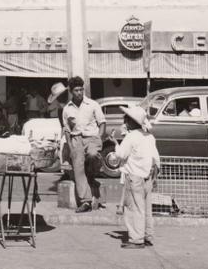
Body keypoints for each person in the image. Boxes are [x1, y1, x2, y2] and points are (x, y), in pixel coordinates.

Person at [105, 105, 160, 249]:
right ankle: (148, 236)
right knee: (147, 209)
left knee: (135, 208)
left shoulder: (131, 136)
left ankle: (136, 239)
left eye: (126, 118)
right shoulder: (149, 136)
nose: (124, 121)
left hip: (135, 176)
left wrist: (115, 144)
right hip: (148, 175)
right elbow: (156, 158)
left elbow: (121, 155)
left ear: (130, 121)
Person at [61, 76, 106, 213]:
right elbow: (67, 130)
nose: (79, 93)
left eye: (81, 89)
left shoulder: (93, 104)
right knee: (78, 169)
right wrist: (70, 146)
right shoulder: (67, 109)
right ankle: (85, 201)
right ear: (71, 91)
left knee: (93, 155)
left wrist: (99, 138)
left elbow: (102, 123)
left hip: (92, 138)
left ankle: (94, 172)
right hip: (76, 140)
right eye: (76, 90)